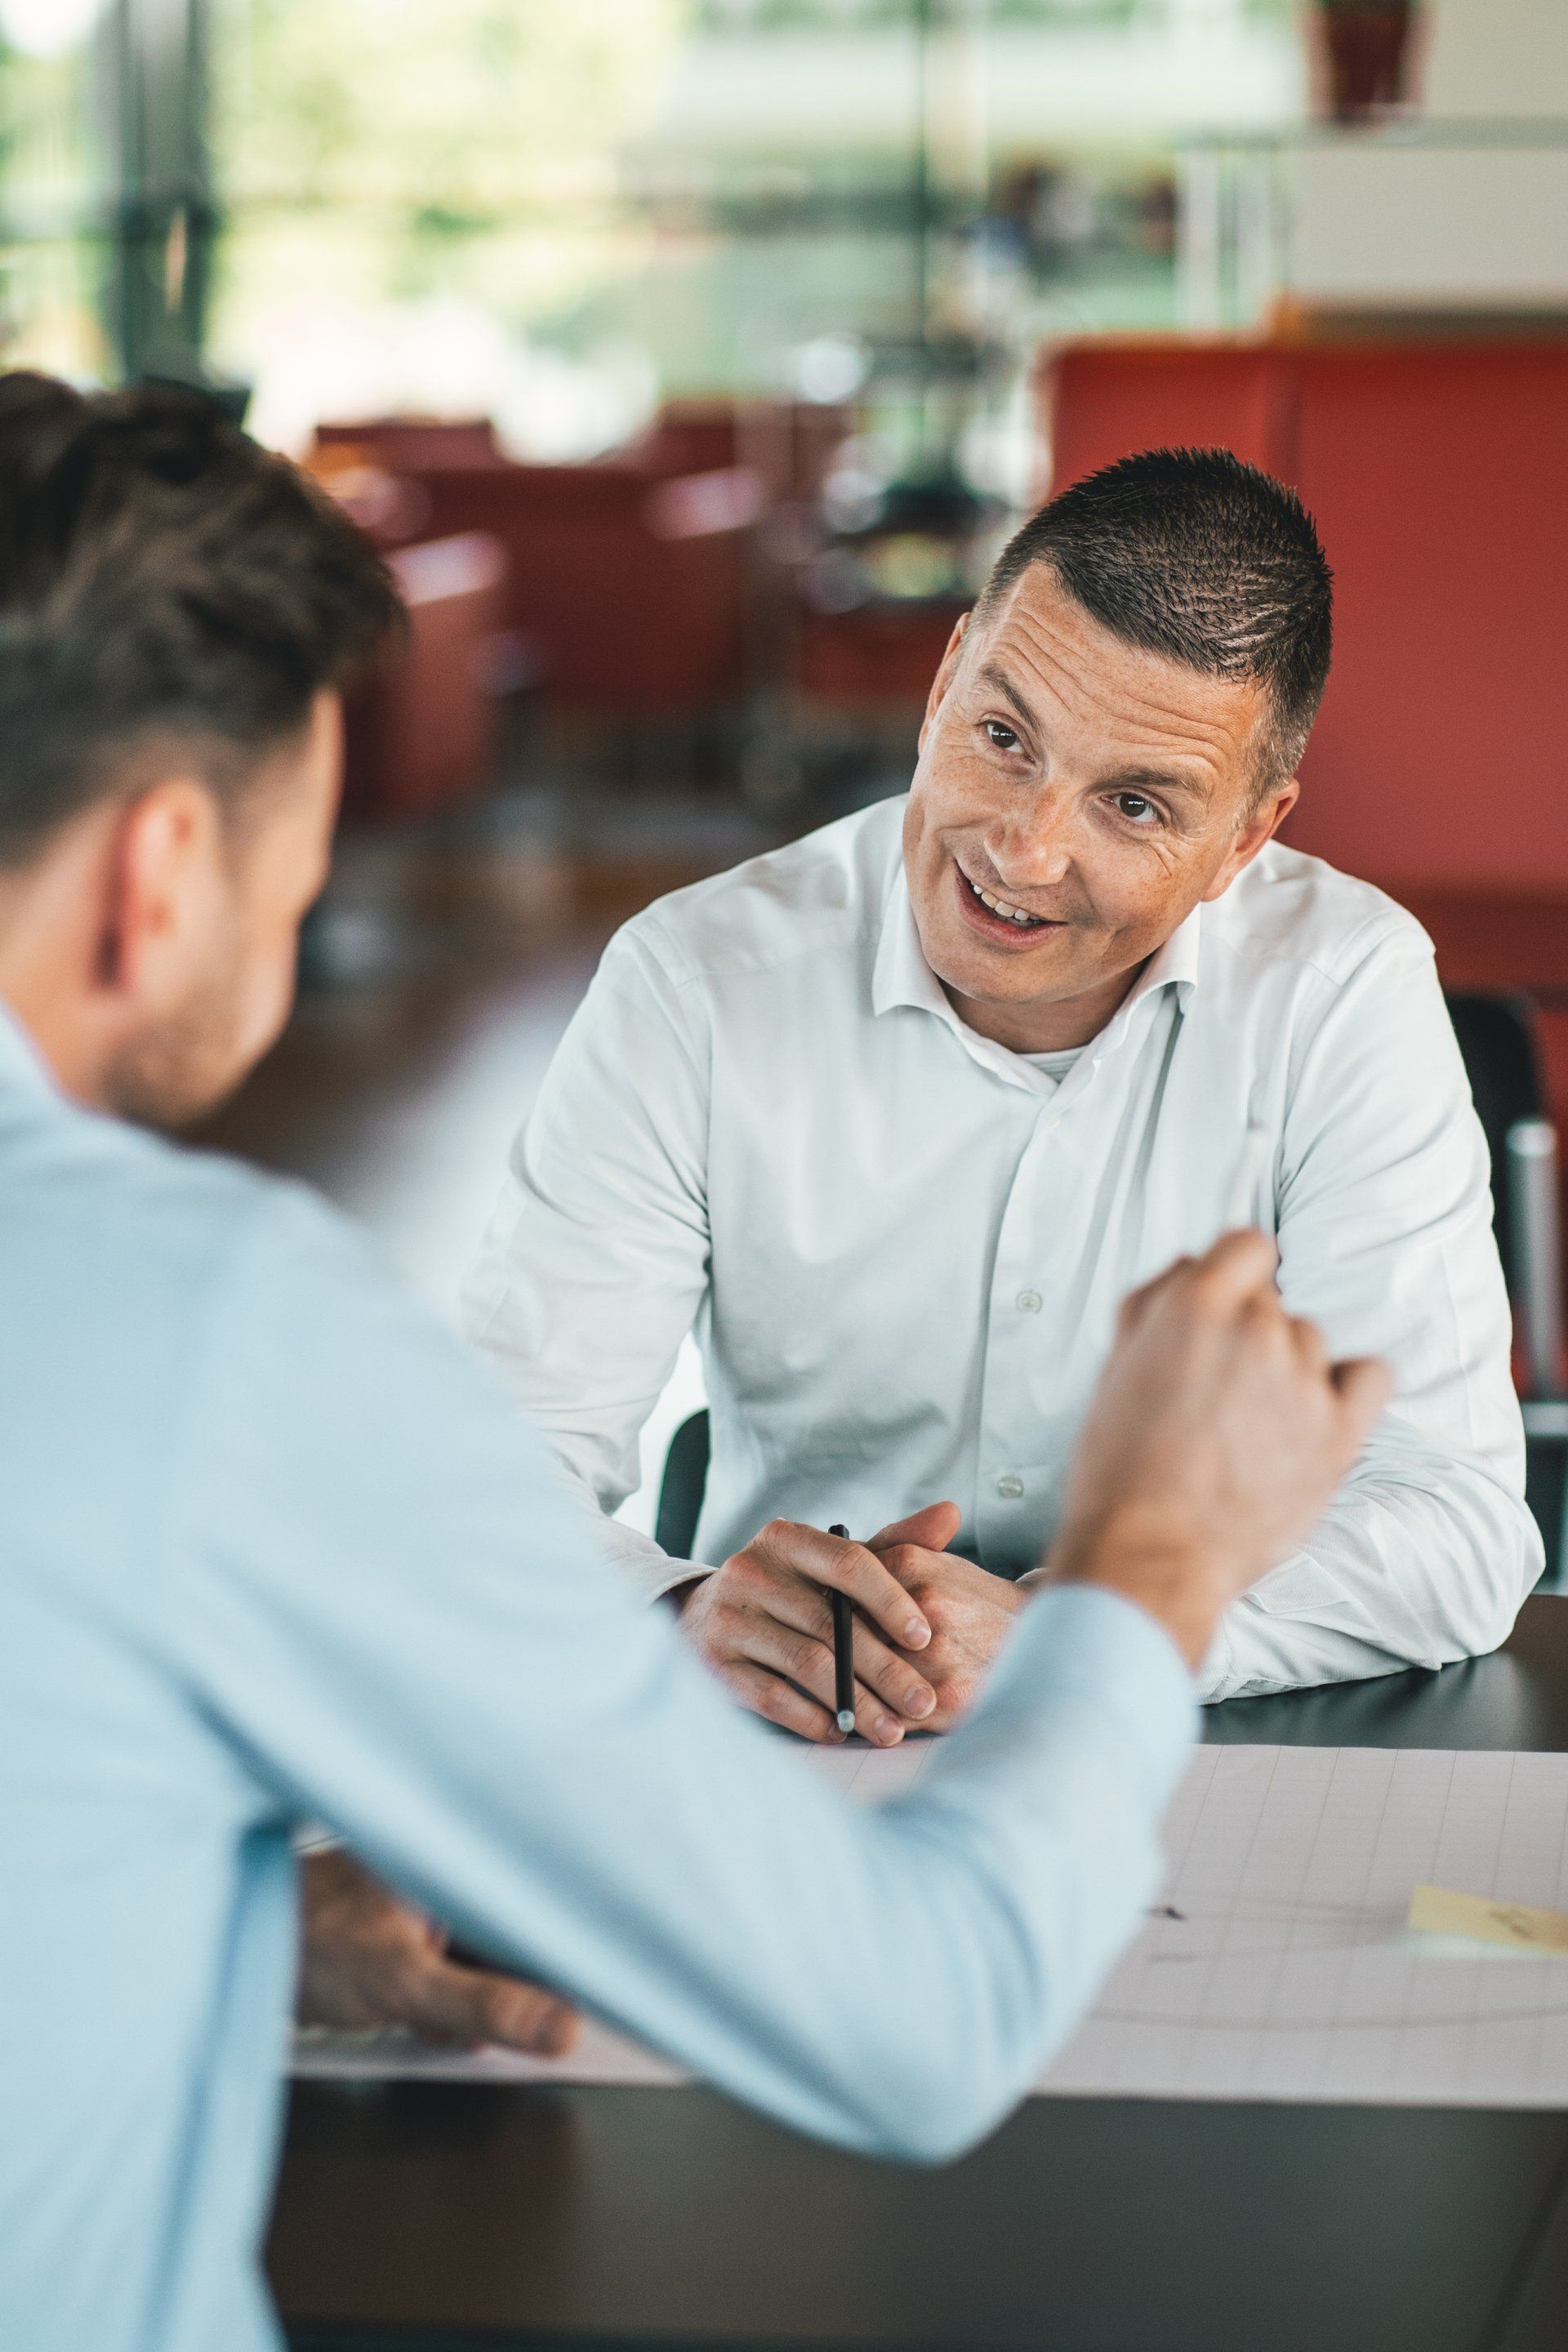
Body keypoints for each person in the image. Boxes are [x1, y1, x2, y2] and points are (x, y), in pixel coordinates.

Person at [0, 375, 1388, 2352]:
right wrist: (1148, 1570)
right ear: (158, 874)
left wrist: (215, 1923)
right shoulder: (207, 1335)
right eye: (299, 859)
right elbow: (919, 2021)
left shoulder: (1345, 992)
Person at [463, 447, 1540, 1738]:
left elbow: (1454, 1523)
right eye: (1003, 737)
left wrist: (1088, 1630)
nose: (1025, 852)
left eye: (1134, 805)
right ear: (942, 687)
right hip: (798, 1738)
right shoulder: (695, 981)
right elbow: (480, 1471)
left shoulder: (1344, 990)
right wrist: (677, 1610)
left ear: (1245, 840)